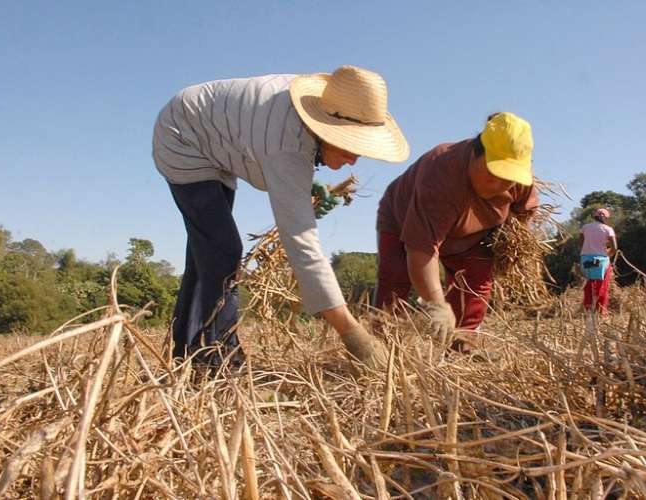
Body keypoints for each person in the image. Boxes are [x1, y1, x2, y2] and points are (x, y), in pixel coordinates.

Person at [152, 65, 410, 369]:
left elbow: (282, 154)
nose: (354, 158)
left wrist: (304, 183)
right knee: (222, 251)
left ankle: (189, 355)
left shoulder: (316, 111)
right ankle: (221, 361)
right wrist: (353, 334)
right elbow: (302, 244)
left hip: (213, 133)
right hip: (183, 136)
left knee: (206, 254)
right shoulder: (285, 143)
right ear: (325, 126)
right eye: (350, 145)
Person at [374, 112, 539, 346]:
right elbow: (422, 250)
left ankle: (462, 344)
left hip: (471, 233)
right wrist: (437, 305)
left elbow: (523, 214)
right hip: (402, 220)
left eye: (509, 178)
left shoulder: (522, 182)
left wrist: (509, 243)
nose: (501, 185)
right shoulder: (441, 172)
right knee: (395, 278)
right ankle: (383, 345)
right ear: (475, 152)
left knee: (476, 282)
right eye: (494, 173)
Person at [579, 208, 617, 313]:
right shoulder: (608, 229)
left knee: (589, 284)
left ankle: (588, 309)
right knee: (602, 285)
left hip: (585, 260)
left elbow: (581, 244)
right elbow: (614, 248)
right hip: (600, 261)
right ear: (603, 217)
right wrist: (609, 254)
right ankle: (601, 310)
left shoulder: (585, 227)